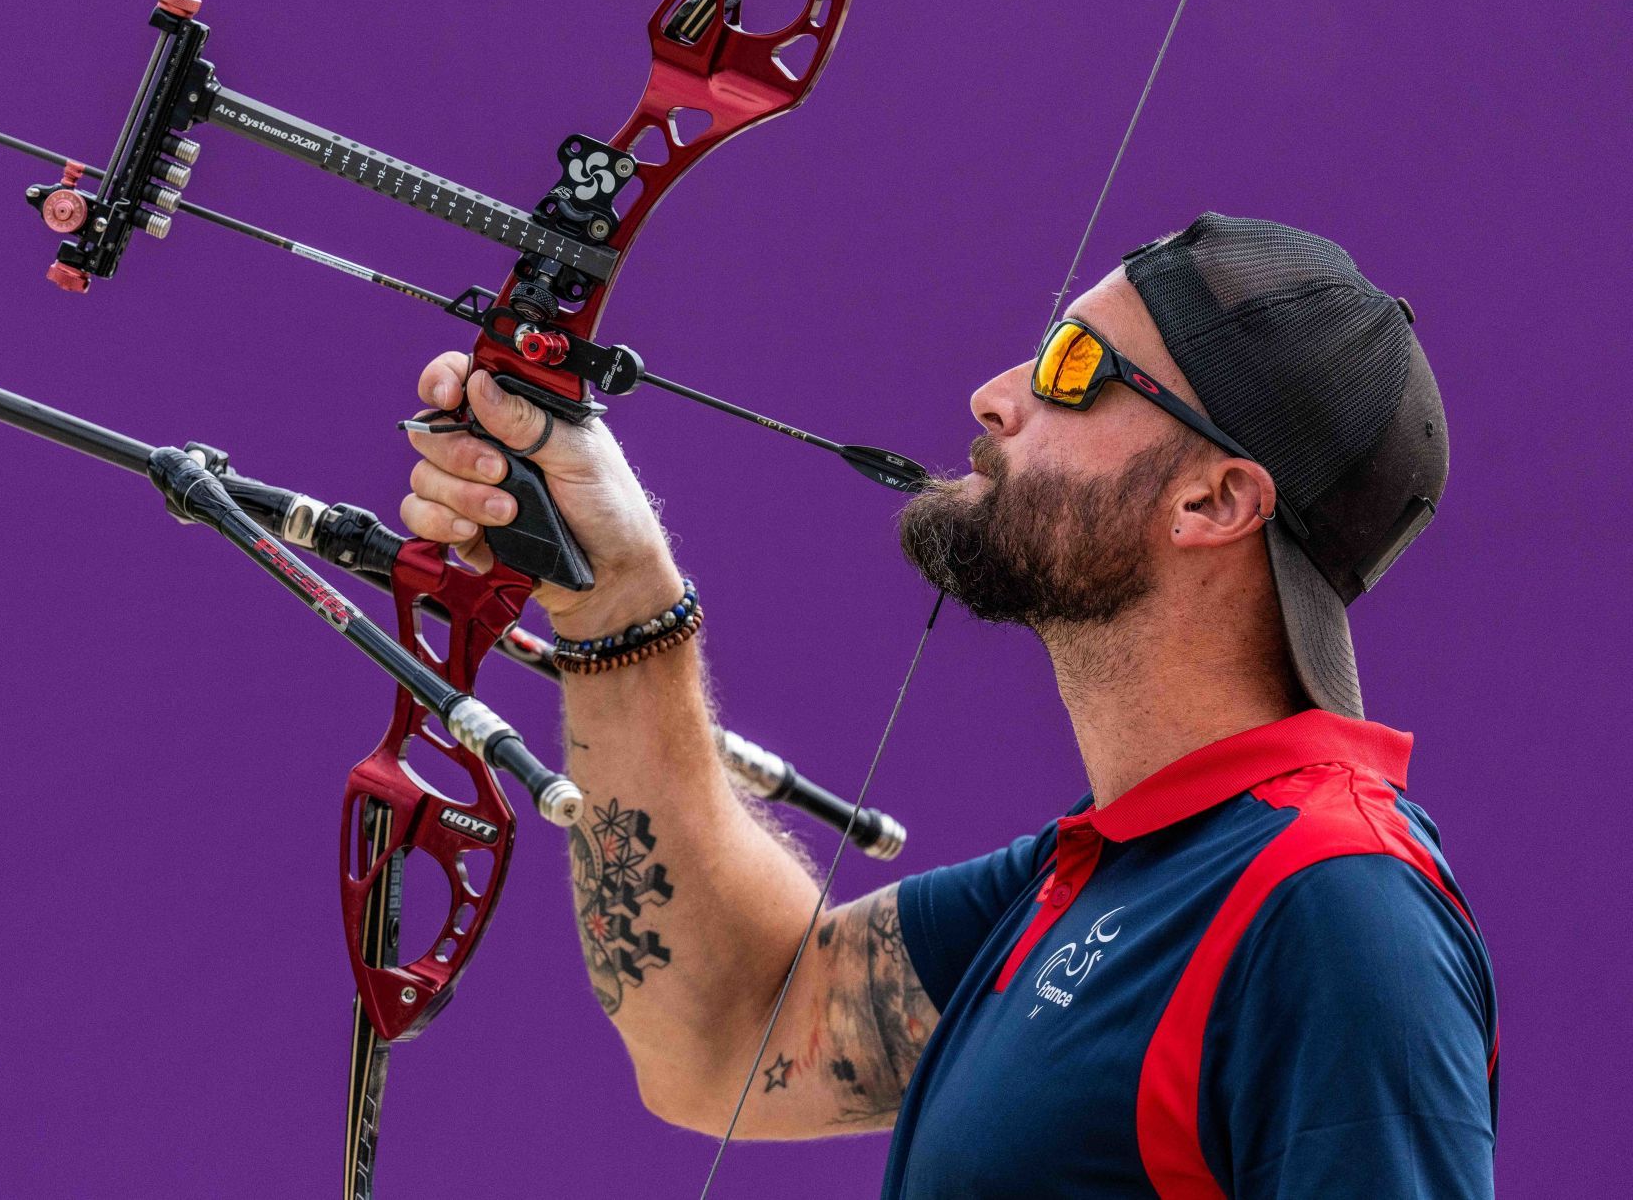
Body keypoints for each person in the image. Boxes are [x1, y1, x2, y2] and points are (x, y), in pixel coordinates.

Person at [398, 214, 1498, 1196]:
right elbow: (727, 1035)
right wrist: (617, 595)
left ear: (1211, 498)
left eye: (1074, 367)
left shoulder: (1331, 906)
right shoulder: (1110, 871)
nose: (995, 394)